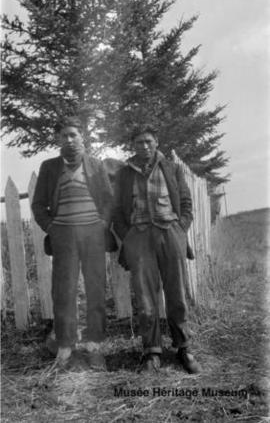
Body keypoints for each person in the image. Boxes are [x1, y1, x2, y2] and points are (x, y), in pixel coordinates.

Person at [113, 124, 201, 374]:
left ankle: (183, 347)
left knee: (176, 293)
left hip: (169, 233)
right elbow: (117, 212)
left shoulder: (172, 168)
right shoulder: (124, 174)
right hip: (139, 237)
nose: (144, 146)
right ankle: (152, 351)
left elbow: (185, 203)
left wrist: (179, 230)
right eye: (139, 142)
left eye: (148, 141)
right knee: (145, 298)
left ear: (156, 142)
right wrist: (128, 237)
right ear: (133, 145)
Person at [32, 117, 116, 369]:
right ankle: (66, 347)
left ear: (82, 138)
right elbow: (38, 205)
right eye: (64, 136)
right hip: (64, 235)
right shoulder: (49, 167)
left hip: (92, 233)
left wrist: (103, 224)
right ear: (59, 140)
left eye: (73, 135)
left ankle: (94, 346)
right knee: (63, 290)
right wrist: (51, 227)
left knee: (95, 287)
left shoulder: (95, 165)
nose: (69, 140)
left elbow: (109, 200)